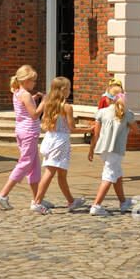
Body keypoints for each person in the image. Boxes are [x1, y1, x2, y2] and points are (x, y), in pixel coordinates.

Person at [0, 65, 45, 211]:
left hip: (22, 132)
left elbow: (25, 104)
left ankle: (37, 199)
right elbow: (34, 114)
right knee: (25, 163)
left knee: (34, 166)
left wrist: (35, 98)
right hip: (29, 133)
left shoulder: (17, 93)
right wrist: (44, 102)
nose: (35, 84)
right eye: (33, 81)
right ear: (27, 80)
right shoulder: (26, 95)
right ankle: (3, 194)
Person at [32, 76, 86, 213]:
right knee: (50, 172)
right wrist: (89, 130)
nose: (70, 90)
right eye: (68, 88)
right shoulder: (67, 107)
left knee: (62, 173)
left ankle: (71, 201)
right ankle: (37, 202)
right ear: (63, 90)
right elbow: (72, 128)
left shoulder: (48, 104)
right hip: (60, 141)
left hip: (50, 139)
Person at [88, 90, 136, 215]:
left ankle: (123, 202)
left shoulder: (101, 112)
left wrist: (91, 149)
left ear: (108, 99)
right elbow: (136, 129)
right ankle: (96, 205)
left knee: (117, 173)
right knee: (109, 175)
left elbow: (96, 134)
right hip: (116, 149)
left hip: (103, 149)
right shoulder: (127, 113)